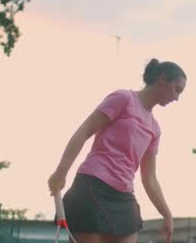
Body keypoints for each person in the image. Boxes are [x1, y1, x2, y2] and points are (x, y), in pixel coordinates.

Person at [48, 58, 187, 243]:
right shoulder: (123, 98)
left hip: (124, 198)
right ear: (162, 79)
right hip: (93, 187)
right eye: (177, 89)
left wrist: (167, 215)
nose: (177, 97)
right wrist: (61, 172)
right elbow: (86, 130)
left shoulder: (155, 128)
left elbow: (150, 178)